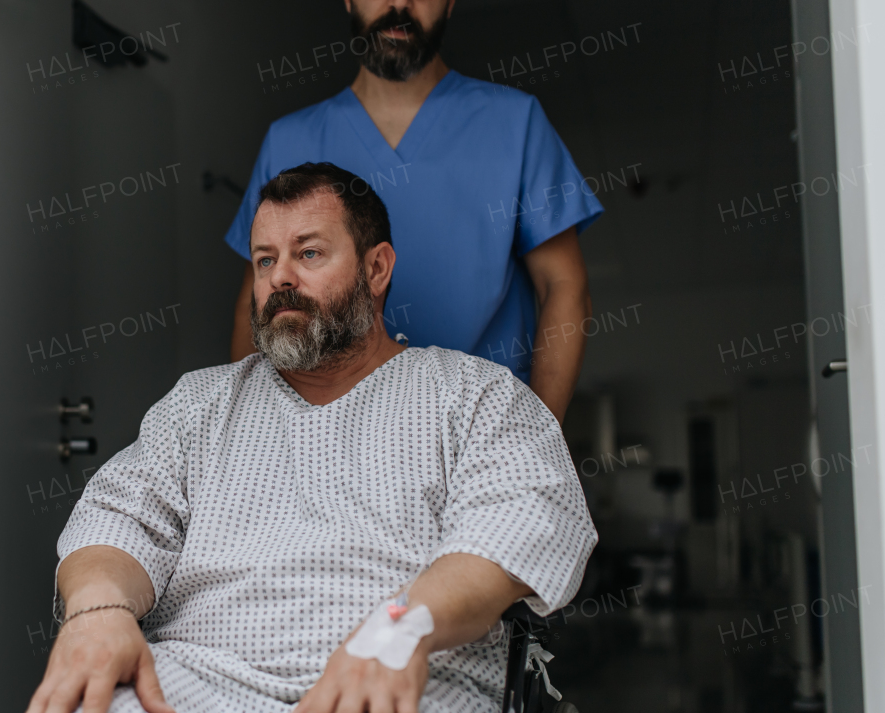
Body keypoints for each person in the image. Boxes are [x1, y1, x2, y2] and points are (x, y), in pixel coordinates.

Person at [0, 164, 596, 713]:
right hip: (198, 682)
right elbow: (120, 516)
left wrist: (395, 631)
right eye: (265, 259)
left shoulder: (475, 397)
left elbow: (516, 526)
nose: (281, 278)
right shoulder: (200, 405)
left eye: (308, 253)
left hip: (399, 678)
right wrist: (96, 611)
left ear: (376, 268)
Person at [226, 0, 603, 423]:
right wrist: (253, 435)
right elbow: (255, 303)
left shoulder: (515, 123)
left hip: (478, 427)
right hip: (322, 433)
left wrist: (532, 437)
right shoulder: (288, 140)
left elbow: (563, 286)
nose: (399, 4)